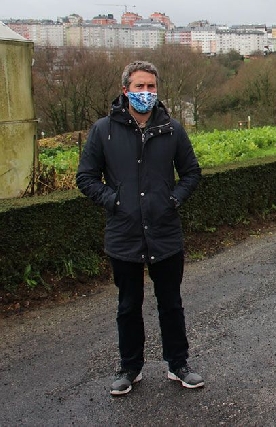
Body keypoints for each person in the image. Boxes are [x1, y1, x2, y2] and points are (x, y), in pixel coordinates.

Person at [76, 61, 204, 396]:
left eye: (151, 87)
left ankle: (179, 364)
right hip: (124, 234)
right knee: (128, 305)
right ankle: (130, 368)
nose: (146, 93)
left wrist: (172, 200)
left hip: (165, 232)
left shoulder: (172, 130)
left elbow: (191, 173)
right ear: (125, 90)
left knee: (171, 303)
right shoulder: (103, 130)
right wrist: (115, 201)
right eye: (139, 87)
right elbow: (85, 178)